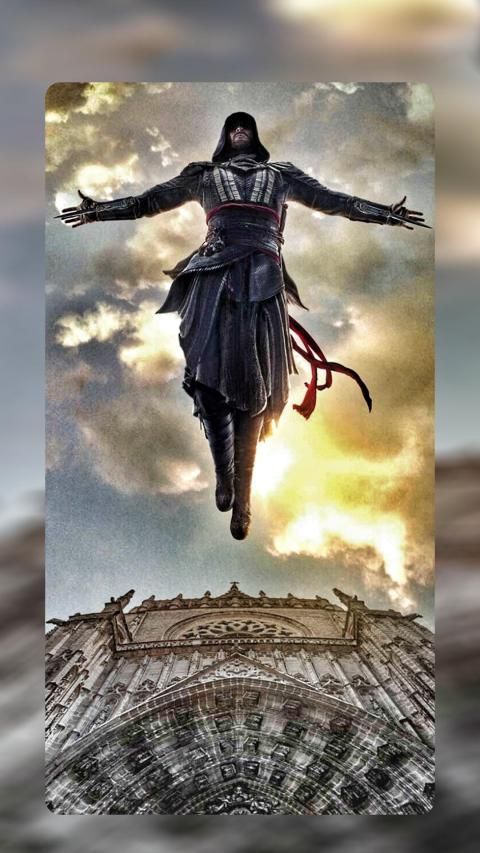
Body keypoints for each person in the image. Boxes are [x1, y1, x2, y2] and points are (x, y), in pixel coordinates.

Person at [57, 112, 428, 540]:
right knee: (204, 380)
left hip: (263, 277)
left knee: (254, 390)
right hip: (213, 273)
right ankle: (224, 475)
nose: (239, 129)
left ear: (254, 135)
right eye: (233, 125)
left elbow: (335, 202)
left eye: (245, 125)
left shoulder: (282, 175)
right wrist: (98, 211)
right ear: (224, 137)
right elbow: (147, 202)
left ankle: (244, 501)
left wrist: (385, 214)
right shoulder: (203, 175)